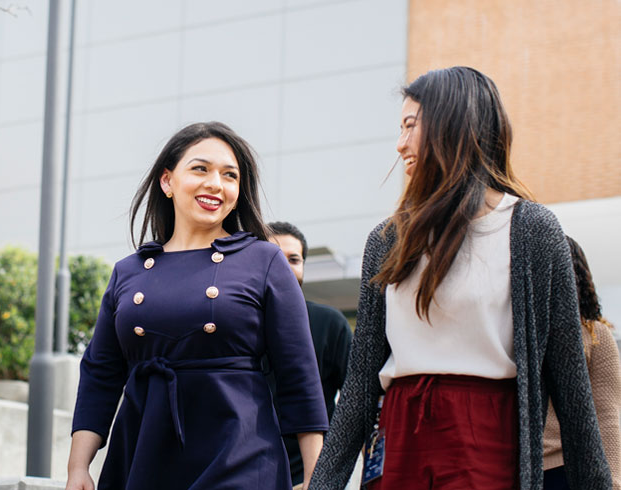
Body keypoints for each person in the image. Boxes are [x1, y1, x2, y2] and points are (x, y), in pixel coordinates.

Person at [309, 66, 612, 489]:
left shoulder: (532, 230)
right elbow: (360, 383)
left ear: (452, 125)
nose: (399, 145)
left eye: (410, 126)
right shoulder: (386, 239)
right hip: (399, 438)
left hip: (488, 439)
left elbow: (570, 386)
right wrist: (324, 483)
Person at [66, 122, 328, 490]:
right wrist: (78, 467)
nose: (215, 184)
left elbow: (298, 372)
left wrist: (316, 476)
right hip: (143, 450)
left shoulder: (264, 260)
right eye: (200, 169)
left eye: (230, 175)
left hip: (239, 451)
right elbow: (100, 373)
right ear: (167, 181)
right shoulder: (128, 271)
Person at [266, 221, 352, 488]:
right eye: (274, 258)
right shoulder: (234, 325)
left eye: (294, 259)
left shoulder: (329, 323)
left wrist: (322, 478)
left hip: (310, 476)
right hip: (246, 472)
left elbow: (356, 404)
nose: (285, 267)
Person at [543, 236, 621, 489]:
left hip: (569, 469)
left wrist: (615, 482)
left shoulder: (595, 333)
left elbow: (608, 413)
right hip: (508, 466)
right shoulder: (511, 333)